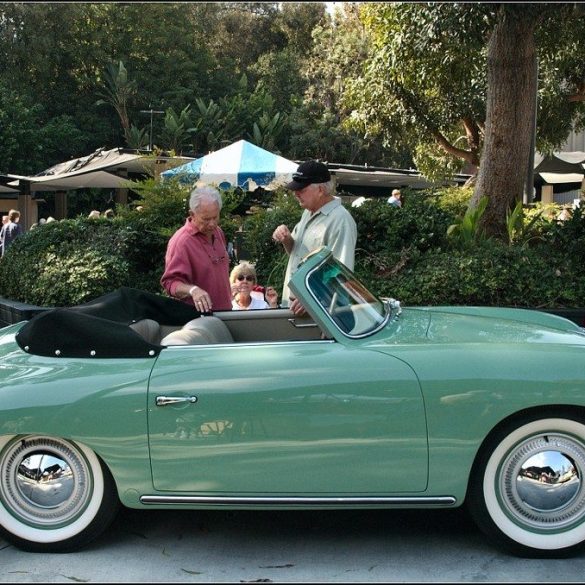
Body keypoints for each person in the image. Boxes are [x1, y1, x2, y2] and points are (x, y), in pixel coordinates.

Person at [272, 160, 357, 315]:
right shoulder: (308, 211)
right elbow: (295, 252)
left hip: (319, 314)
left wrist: (311, 300)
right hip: (296, 308)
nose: (295, 193)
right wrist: (287, 239)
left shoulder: (341, 220)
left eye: (301, 189)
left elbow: (340, 274)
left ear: (320, 189)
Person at [161, 185, 232, 312]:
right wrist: (193, 290)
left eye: (215, 217)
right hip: (198, 318)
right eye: (205, 219)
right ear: (192, 214)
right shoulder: (181, 242)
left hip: (225, 313)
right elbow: (170, 283)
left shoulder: (218, 232)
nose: (212, 224)